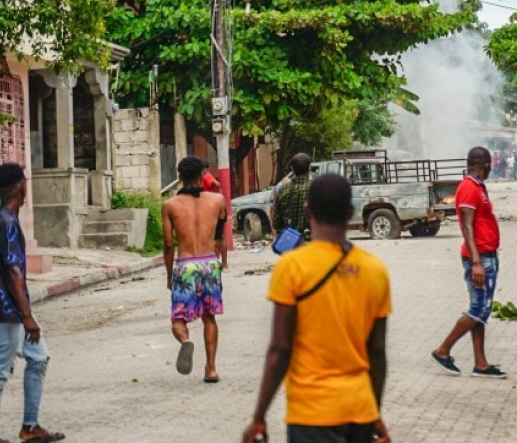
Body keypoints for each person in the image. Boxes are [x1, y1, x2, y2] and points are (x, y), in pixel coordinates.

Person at [242, 175, 392, 443]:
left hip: (311, 413)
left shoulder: (293, 267)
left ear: (308, 210)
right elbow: (377, 352)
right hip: (359, 410)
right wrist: (374, 414)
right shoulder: (374, 269)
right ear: (350, 212)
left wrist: (258, 416)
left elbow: (280, 348)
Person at [0, 164, 64, 443]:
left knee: (39, 358)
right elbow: (14, 271)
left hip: (9, 308)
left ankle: (30, 427)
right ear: (21, 186)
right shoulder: (6, 223)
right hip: (9, 312)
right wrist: (27, 316)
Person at [431, 147, 507, 379]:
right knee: (478, 309)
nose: (492, 168)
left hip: (486, 255)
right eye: (490, 164)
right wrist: (476, 262)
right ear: (483, 164)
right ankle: (443, 351)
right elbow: (466, 226)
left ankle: (481, 364)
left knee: (480, 310)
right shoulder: (468, 188)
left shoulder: (477, 186)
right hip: (479, 257)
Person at [162, 156, 228, 383]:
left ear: (179, 177)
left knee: (178, 319)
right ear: (202, 176)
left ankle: (186, 342)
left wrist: (170, 275)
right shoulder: (218, 200)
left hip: (186, 265)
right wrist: (220, 265)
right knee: (209, 318)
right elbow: (220, 238)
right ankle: (211, 369)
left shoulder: (169, 205)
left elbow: (169, 245)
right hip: (209, 263)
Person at [271, 153, 312, 239]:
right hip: (313, 245)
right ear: (309, 168)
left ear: (292, 170)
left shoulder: (282, 190)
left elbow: (276, 224)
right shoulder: (317, 188)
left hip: (290, 244)